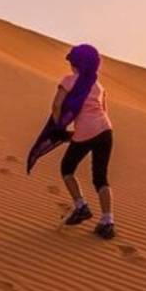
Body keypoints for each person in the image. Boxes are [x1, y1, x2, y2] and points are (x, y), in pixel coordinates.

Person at [27, 44, 116, 239]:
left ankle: (81, 206)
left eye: (72, 61)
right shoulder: (98, 85)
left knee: (67, 169)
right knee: (100, 176)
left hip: (86, 131)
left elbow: (56, 105)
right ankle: (107, 221)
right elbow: (103, 109)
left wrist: (59, 128)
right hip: (106, 130)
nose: (70, 65)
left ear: (77, 63)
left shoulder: (69, 81)